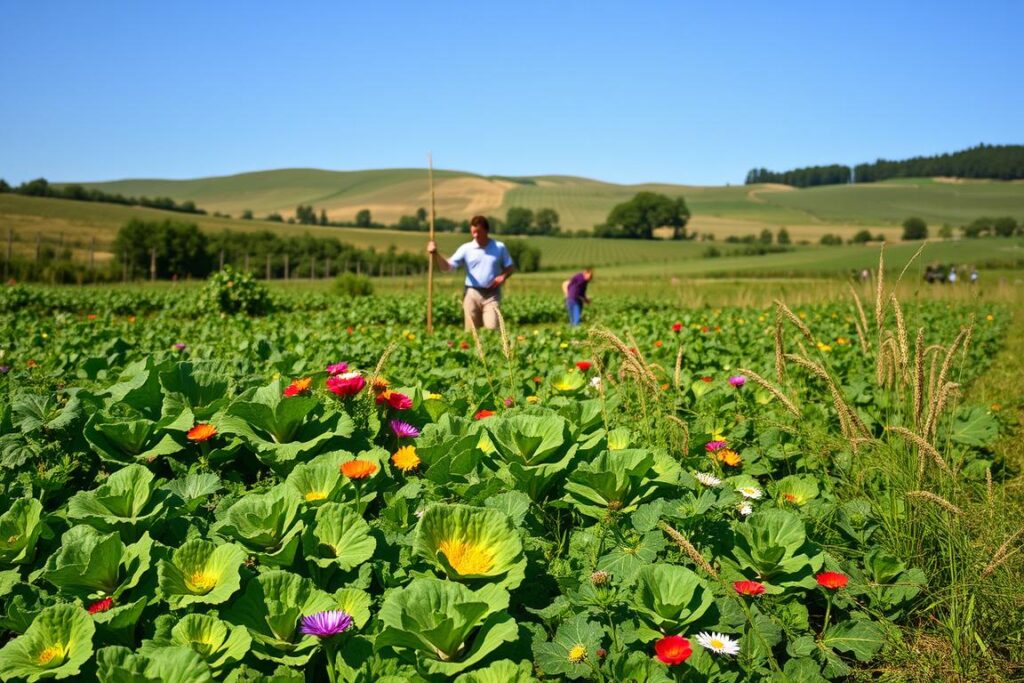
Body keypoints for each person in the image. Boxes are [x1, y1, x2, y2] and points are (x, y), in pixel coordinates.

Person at [427, 215, 515, 330]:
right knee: (472, 332)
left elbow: (510, 267)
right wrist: (435, 253)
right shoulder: (466, 249)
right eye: (473, 232)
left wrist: (503, 276)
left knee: (492, 328)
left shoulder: (499, 247)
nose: (475, 235)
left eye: (478, 232)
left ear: (486, 230)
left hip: (492, 294)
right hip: (471, 293)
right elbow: (447, 267)